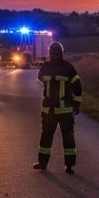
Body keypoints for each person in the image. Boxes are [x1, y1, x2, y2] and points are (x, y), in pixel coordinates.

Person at [33, 41, 82, 173]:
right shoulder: (68, 68)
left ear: (49, 53)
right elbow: (78, 87)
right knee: (67, 137)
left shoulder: (45, 68)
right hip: (64, 110)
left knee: (47, 137)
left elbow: (40, 81)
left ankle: (43, 163)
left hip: (49, 110)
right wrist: (76, 104)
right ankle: (69, 165)